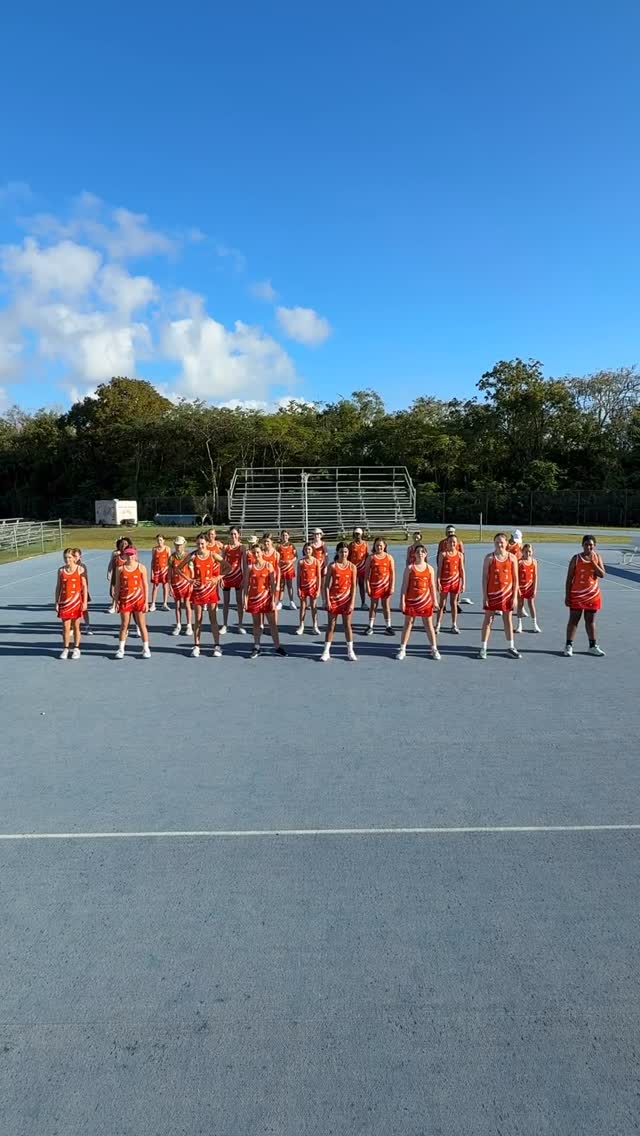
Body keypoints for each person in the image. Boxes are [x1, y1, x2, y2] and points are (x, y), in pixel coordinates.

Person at [478, 533, 520, 660]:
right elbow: (485, 578)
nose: (499, 544)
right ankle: (483, 648)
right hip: (492, 594)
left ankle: (511, 647)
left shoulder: (512, 558)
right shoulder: (489, 558)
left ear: (506, 543)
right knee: (488, 620)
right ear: (494, 543)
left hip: (507, 595)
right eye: (497, 542)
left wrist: (515, 597)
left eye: (502, 542)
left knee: (508, 620)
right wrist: (485, 596)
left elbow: (516, 579)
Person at [243, 541, 287, 659]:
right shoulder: (250, 567)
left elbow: (272, 585)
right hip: (254, 599)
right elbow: (246, 586)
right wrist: (245, 600)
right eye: (254, 553)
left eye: (258, 552)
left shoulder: (268, 566)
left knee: (272, 624)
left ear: (262, 552)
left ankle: (277, 646)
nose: (256, 555)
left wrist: (273, 601)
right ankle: (256, 647)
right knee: (256, 624)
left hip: (267, 599)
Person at [564, 536, 606, 657]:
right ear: (582, 545)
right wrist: (567, 595)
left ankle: (592, 646)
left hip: (592, 595)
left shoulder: (597, 557)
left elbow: (602, 574)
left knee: (590, 621)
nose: (588, 547)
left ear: (594, 546)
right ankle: (568, 645)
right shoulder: (576, 558)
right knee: (574, 620)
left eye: (591, 545)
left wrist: (593, 563)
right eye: (586, 544)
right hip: (577, 595)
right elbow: (569, 578)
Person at [397, 543, 439, 660]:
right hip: (412, 601)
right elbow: (404, 586)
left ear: (426, 554)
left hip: (425, 602)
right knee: (408, 624)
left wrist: (435, 601)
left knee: (429, 625)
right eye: (417, 552)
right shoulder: (410, 568)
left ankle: (434, 649)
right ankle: (402, 649)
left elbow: (432, 587)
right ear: (414, 554)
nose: (420, 553)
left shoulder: (430, 569)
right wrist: (402, 601)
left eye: (422, 551)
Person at [188, 533, 227, 658]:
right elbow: (178, 568)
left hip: (211, 591)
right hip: (198, 591)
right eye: (198, 544)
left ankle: (217, 646)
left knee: (213, 619)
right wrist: (190, 580)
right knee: (198, 620)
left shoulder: (213, 555)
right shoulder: (193, 556)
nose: (200, 546)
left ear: (206, 544)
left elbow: (228, 567)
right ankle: (196, 646)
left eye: (202, 544)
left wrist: (218, 578)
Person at [321, 543, 358, 662]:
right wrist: (327, 600)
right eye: (341, 551)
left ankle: (350, 651)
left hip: (347, 600)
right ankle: (326, 651)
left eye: (346, 552)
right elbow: (326, 586)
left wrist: (352, 602)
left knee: (347, 625)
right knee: (331, 626)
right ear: (337, 552)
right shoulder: (332, 566)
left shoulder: (352, 567)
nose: (344, 554)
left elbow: (354, 587)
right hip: (334, 600)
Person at [114, 547, 151, 658]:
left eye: (132, 554)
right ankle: (121, 649)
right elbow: (117, 586)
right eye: (128, 554)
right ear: (125, 556)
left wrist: (146, 602)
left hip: (138, 601)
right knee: (124, 625)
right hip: (125, 601)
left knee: (142, 624)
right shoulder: (120, 569)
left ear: (135, 555)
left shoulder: (141, 568)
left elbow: (145, 585)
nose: (130, 556)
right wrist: (116, 601)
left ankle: (146, 648)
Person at [55, 547, 88, 659]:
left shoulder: (80, 569)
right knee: (66, 627)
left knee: (76, 626)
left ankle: (76, 648)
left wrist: (85, 602)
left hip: (76, 603)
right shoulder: (61, 571)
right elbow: (58, 587)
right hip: (65, 603)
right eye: (65, 557)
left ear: (74, 558)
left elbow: (84, 587)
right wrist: (57, 602)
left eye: (69, 557)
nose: (67, 560)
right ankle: (66, 648)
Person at [365, 537, 396, 635]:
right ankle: (370, 626)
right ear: (374, 546)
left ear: (385, 546)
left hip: (386, 586)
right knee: (373, 606)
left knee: (386, 606)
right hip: (374, 586)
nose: (379, 547)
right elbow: (366, 574)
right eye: (377, 545)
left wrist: (392, 586)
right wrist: (367, 586)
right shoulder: (371, 558)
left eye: (381, 545)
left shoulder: (389, 557)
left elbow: (392, 574)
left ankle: (388, 627)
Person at [436, 534, 465, 634]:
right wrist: (438, 581)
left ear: (456, 544)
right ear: (446, 543)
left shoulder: (460, 555)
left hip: (455, 582)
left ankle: (454, 624)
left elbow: (462, 570)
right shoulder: (443, 554)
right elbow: (439, 569)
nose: (452, 544)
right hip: (445, 582)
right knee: (442, 604)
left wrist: (463, 583)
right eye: (450, 542)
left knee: (454, 603)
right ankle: (438, 624)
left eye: (454, 542)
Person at [220, 527, 246, 635]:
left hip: (238, 577)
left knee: (239, 602)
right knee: (226, 602)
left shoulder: (242, 547)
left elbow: (244, 564)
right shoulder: (226, 547)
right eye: (231, 534)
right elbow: (221, 563)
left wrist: (244, 578)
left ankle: (240, 625)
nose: (233, 536)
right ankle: (225, 625)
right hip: (227, 577)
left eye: (235, 534)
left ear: (238, 535)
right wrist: (221, 577)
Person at [438, 525, 473, 606]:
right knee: (443, 590)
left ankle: (456, 603)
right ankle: (443, 605)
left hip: (455, 568)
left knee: (456, 587)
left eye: (452, 532)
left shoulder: (459, 543)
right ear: (446, 532)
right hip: (445, 568)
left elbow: (463, 554)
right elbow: (438, 554)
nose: (450, 533)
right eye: (448, 532)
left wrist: (461, 567)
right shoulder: (442, 543)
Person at [169, 536, 194, 636]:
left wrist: (191, 583)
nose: (178, 547)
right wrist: (170, 585)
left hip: (186, 584)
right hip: (176, 585)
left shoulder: (188, 556)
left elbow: (192, 571)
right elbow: (169, 572)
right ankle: (178, 625)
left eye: (180, 545)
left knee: (187, 604)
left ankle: (189, 626)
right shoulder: (172, 557)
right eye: (177, 545)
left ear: (184, 545)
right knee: (177, 605)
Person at [296, 542, 322, 635]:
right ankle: (301, 625)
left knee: (313, 606)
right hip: (303, 587)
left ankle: (315, 626)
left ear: (312, 550)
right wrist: (298, 588)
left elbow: (319, 577)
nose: (308, 551)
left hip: (313, 587)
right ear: (304, 550)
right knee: (303, 606)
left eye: (309, 549)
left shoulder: (316, 562)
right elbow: (298, 577)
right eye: (306, 549)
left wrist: (318, 589)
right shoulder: (301, 562)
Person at [516, 544, 541, 634]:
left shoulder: (534, 562)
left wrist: (534, 589)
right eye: (526, 551)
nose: (528, 553)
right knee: (520, 605)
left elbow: (535, 576)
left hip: (530, 588)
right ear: (522, 552)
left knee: (531, 605)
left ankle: (535, 624)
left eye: (529, 551)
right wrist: (517, 589)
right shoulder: (519, 562)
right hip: (521, 587)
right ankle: (519, 625)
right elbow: (515, 576)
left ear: (532, 552)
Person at [107, 537, 131, 614]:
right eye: (122, 544)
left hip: (126, 577)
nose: (124, 545)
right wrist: (109, 573)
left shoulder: (130, 555)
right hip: (116, 576)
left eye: (125, 543)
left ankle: (118, 605)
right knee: (113, 592)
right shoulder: (115, 554)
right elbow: (111, 564)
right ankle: (114, 605)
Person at [72, 547, 92, 635]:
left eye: (76, 556)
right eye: (73, 556)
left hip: (81, 592)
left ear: (80, 557)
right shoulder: (70, 566)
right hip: (73, 593)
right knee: (72, 610)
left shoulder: (82, 567)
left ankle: (87, 626)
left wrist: (85, 592)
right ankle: (72, 627)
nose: (74, 558)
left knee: (84, 610)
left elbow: (85, 582)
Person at [348, 527, 369, 608]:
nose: (357, 536)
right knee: (353, 586)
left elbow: (367, 556)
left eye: (358, 534)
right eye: (356, 534)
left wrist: (368, 567)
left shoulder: (365, 544)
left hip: (362, 569)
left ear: (361, 534)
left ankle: (363, 603)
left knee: (361, 585)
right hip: (353, 569)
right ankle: (350, 602)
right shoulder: (351, 545)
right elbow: (348, 557)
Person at [149, 534, 170, 611]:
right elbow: (153, 561)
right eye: (158, 540)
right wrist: (152, 572)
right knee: (155, 587)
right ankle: (153, 604)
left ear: (164, 540)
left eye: (161, 540)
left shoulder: (167, 549)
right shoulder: (154, 549)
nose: (159, 541)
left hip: (165, 571)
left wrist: (170, 572)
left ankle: (165, 604)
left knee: (165, 586)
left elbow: (170, 561)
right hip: (156, 571)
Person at [278, 530, 298, 609]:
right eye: (283, 535)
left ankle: (291, 602)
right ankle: (280, 602)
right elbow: (276, 557)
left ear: (288, 536)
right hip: (281, 569)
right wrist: (281, 561)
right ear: (281, 537)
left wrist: (291, 561)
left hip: (289, 569)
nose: (285, 537)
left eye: (286, 535)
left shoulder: (292, 545)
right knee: (281, 586)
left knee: (290, 585)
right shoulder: (278, 546)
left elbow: (296, 556)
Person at [310, 528, 329, 597]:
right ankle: (313, 599)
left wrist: (326, 567)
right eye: (315, 534)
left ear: (321, 535)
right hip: (313, 567)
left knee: (322, 585)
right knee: (313, 584)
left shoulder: (323, 544)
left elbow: (326, 556)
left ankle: (324, 599)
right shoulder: (310, 544)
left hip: (322, 566)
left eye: (318, 534)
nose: (316, 536)